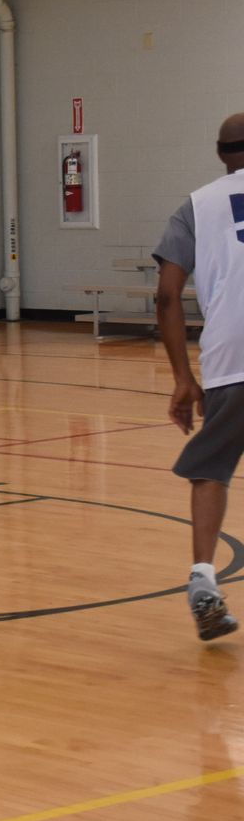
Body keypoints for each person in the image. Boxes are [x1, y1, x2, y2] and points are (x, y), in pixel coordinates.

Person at [156, 112, 244, 642]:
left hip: (230, 357)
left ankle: (204, 579)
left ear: (219, 153)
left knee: (212, 468)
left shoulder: (196, 206)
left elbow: (168, 296)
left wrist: (183, 378)